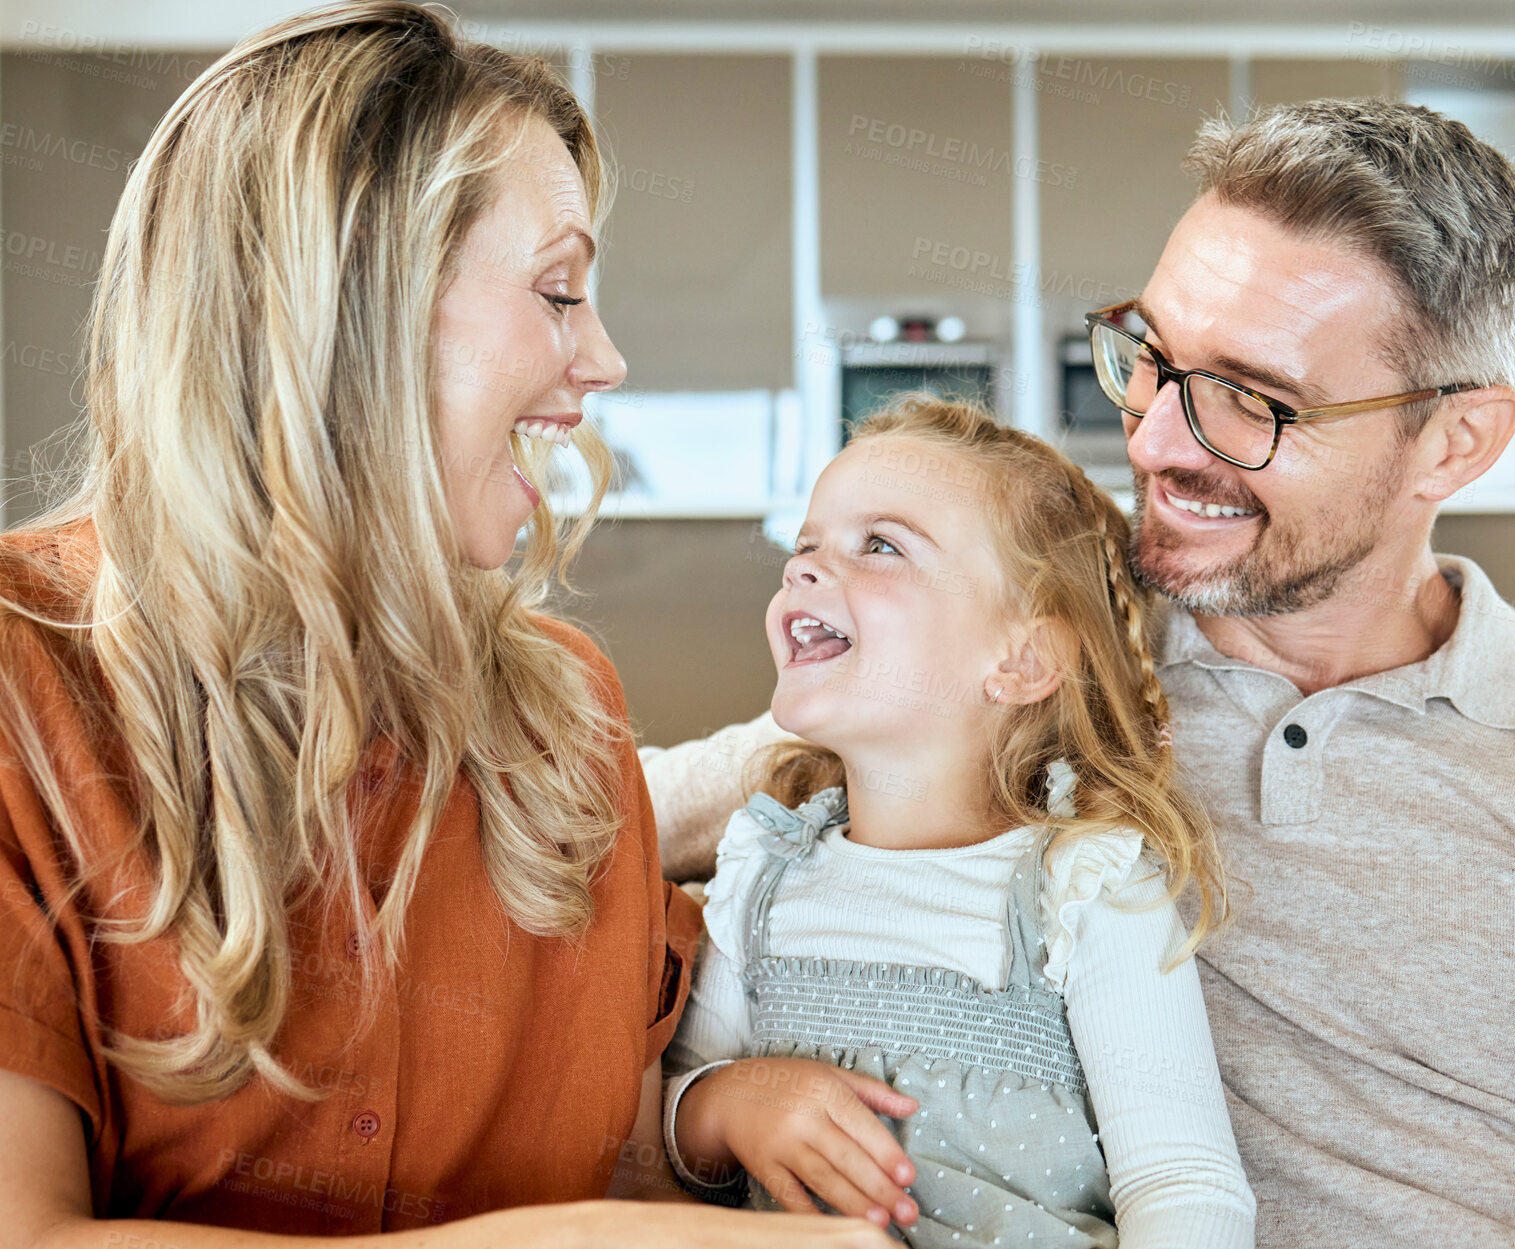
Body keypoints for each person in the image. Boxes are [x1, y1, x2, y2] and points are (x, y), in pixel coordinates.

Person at [0, 5, 892, 1247]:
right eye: (559, 292)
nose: (606, 361)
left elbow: (632, 1164)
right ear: (349, 299)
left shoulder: (567, 715)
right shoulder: (23, 677)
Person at [645, 99, 1515, 1249]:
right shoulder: (1028, 663)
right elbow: (602, 819)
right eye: (1151, 359)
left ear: (1455, 441)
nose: (1151, 441)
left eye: (1252, 401)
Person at [657, 395, 1256, 1247]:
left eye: (881, 545)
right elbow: (666, 1119)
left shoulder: (1082, 885)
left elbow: (1182, 1182)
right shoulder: (762, 876)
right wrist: (719, 1104)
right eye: (806, 544)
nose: (805, 569)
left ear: (1022, 659)